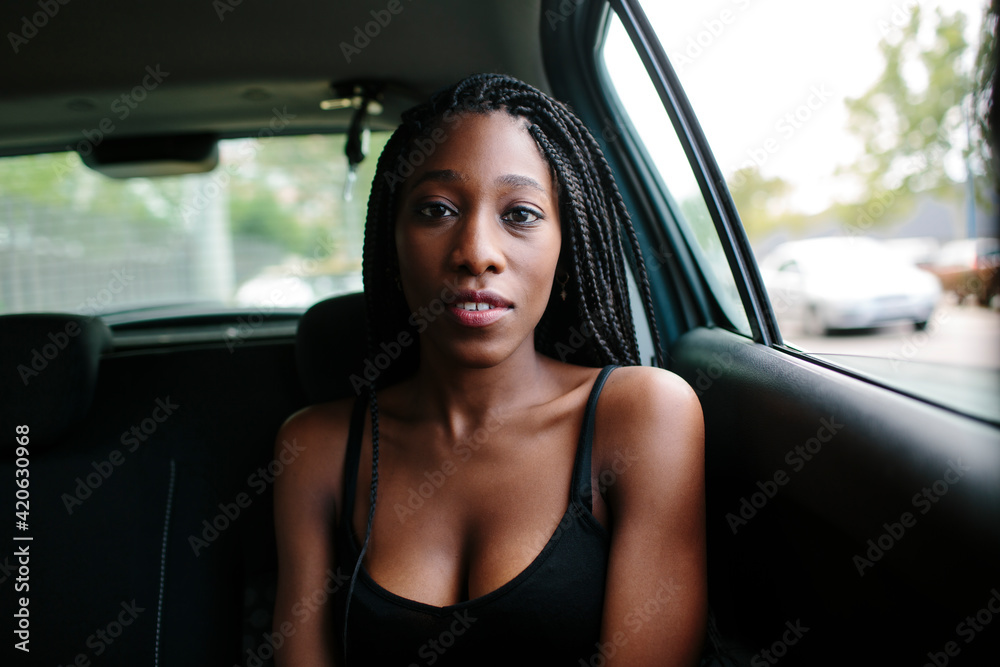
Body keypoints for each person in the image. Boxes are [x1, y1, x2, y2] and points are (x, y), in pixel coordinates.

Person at [273, 73, 706, 666]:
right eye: (436, 209)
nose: (476, 250)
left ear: (567, 245)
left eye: (521, 214)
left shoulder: (641, 415)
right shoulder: (317, 447)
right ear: (391, 241)